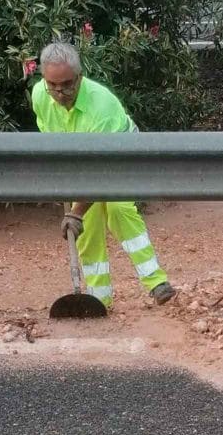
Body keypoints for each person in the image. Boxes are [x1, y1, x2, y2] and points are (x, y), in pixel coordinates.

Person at [31, 41, 176, 307]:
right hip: (79, 162)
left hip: (121, 158)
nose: (59, 93)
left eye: (67, 84)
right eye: (53, 85)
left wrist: (75, 212)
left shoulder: (101, 106)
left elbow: (101, 169)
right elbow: (50, 142)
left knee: (119, 209)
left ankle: (155, 281)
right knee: (87, 228)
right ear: (44, 80)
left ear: (79, 77)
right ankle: (99, 300)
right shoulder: (40, 95)